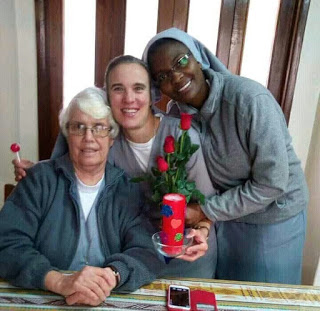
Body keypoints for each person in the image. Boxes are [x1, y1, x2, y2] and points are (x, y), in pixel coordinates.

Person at [13, 56, 218, 278]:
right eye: (118, 89)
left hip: (187, 255)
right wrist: (35, 172)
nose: (129, 99)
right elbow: (66, 166)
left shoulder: (182, 136)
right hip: (135, 262)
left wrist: (202, 231)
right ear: (108, 96)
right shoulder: (106, 137)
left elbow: (208, 203)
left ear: (151, 95)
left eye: (138, 88)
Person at [142, 27, 309, 285]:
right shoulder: (177, 116)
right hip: (224, 219)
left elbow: (273, 182)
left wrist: (205, 210)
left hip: (272, 219)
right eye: (163, 75)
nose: (176, 77)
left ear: (198, 57)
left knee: (262, 297)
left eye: (181, 61)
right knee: (227, 291)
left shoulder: (248, 100)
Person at [0, 87, 166, 306]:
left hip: (107, 296)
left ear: (112, 137)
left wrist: (111, 276)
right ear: (68, 135)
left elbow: (147, 251)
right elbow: (7, 242)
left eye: (99, 128)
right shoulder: (39, 180)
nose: (89, 138)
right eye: (79, 127)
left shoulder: (127, 188)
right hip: (47, 294)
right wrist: (59, 281)